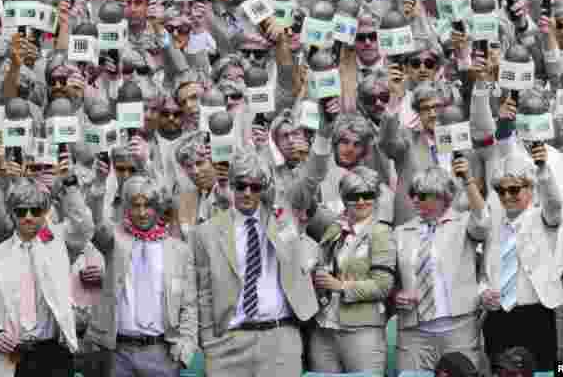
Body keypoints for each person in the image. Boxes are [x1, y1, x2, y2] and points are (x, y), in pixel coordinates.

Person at [191, 151, 318, 377]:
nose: (247, 193)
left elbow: (311, 178)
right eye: (241, 186)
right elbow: (203, 293)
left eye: (255, 187)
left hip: (280, 337)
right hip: (227, 342)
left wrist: (325, 135)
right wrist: (210, 341)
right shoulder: (206, 233)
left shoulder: (283, 217)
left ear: (264, 188)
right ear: (230, 184)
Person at [0, 177, 95, 377]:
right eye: (21, 211)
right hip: (13, 355)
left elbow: (83, 227)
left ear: (44, 213)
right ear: (12, 214)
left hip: (54, 353)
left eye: (35, 211)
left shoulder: (59, 244)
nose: (28, 217)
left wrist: (71, 186)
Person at [86, 176, 199, 376]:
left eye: (148, 205)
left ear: (157, 207)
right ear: (128, 208)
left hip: (162, 353)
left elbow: (188, 305)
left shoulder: (179, 250)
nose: (142, 212)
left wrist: (186, 346)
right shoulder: (115, 241)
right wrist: (98, 187)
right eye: (136, 205)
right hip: (119, 352)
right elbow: (97, 226)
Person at [393, 163, 488, 372]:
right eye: (413, 194)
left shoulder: (464, 224)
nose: (416, 200)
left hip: (459, 331)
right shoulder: (401, 232)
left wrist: (468, 181)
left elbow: (483, 222)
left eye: (423, 195)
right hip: (413, 333)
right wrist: (396, 294)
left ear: (442, 197)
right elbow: (391, 279)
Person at [481, 147, 563, 372]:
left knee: (541, 373)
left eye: (514, 189)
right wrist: (484, 293)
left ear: (530, 188)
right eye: (501, 191)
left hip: (535, 317)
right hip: (498, 318)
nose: (507, 196)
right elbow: (483, 274)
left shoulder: (544, 218)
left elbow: (555, 204)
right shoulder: (492, 226)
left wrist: (543, 169)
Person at [308, 167, 395, 373]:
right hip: (324, 327)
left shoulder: (381, 232)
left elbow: (383, 286)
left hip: (362, 330)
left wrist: (341, 286)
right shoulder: (334, 229)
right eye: (354, 196)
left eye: (368, 195)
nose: (361, 201)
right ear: (345, 199)